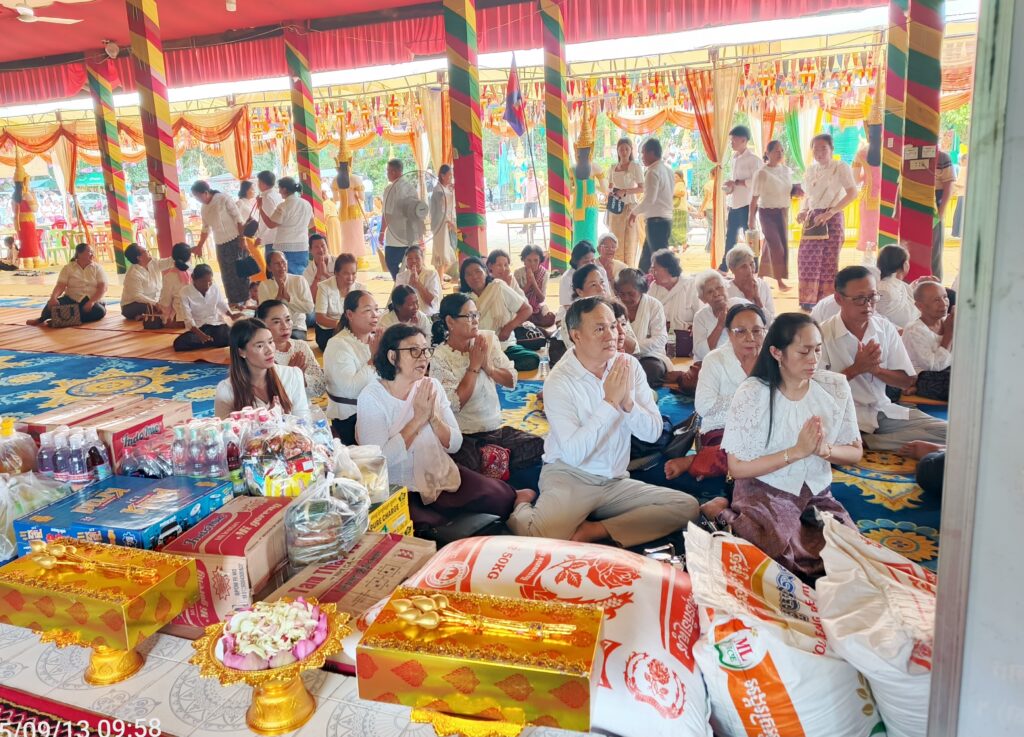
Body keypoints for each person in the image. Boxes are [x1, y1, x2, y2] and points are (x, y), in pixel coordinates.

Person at [507, 297, 700, 546]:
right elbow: (574, 454)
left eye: (612, 326)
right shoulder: (559, 381)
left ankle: (594, 530)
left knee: (686, 507)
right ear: (576, 336)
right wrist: (609, 403)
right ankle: (521, 504)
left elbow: (652, 434)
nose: (611, 335)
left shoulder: (628, 365)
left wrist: (627, 403)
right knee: (540, 539)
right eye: (599, 329)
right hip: (570, 475)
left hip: (614, 478)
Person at [708, 312, 863, 583]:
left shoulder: (834, 387)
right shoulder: (753, 393)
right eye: (804, 352)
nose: (813, 359)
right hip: (764, 487)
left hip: (816, 491)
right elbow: (737, 468)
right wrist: (796, 452)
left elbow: (855, 452)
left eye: (817, 350)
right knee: (778, 559)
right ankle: (719, 510)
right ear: (776, 353)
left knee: (847, 556)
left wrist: (824, 450)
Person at [357, 324, 525, 532]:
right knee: (431, 530)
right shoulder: (372, 398)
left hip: (440, 473)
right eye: (414, 350)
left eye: (425, 350)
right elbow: (378, 462)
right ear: (392, 357)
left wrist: (434, 418)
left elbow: (455, 444)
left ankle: (515, 496)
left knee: (501, 499)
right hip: (401, 487)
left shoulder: (431, 386)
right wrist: (417, 421)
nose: (423, 357)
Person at [819, 266, 947, 451]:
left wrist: (876, 370)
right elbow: (816, 391)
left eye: (872, 297)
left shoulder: (885, 328)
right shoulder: (822, 334)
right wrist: (856, 369)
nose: (868, 305)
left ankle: (871, 443)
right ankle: (863, 442)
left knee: (951, 432)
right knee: (821, 438)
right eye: (859, 299)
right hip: (842, 416)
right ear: (839, 299)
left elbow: (907, 381)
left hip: (882, 411)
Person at [430, 293, 545, 478]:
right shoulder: (440, 357)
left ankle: (495, 463)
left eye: (476, 314)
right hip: (466, 436)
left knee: (537, 445)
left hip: (495, 430)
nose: (476, 320)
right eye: (469, 316)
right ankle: (496, 465)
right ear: (450, 321)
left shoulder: (487, 340)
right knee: (467, 466)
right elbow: (455, 404)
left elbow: (511, 380)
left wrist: (489, 368)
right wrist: (474, 366)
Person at [663, 304, 768, 487]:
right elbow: (704, 406)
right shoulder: (715, 359)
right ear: (729, 333)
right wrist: (750, 406)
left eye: (757, 331)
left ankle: (704, 462)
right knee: (747, 450)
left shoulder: (774, 358)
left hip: (765, 426)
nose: (750, 338)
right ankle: (700, 462)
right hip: (722, 428)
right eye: (741, 331)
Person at [796, 133, 859, 309]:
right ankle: (808, 300)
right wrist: (803, 210)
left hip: (832, 218)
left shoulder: (840, 167)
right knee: (806, 259)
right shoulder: (810, 170)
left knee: (828, 263)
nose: (819, 152)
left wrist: (830, 213)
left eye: (823, 148)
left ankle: (826, 303)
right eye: (815, 149)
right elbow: (808, 196)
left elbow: (853, 193)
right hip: (813, 219)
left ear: (832, 149)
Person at [214, 318, 310, 420]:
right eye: (260, 346)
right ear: (241, 352)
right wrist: (266, 420)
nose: (269, 350)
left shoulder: (292, 375)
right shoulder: (226, 390)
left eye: (270, 342)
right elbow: (224, 429)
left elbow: (304, 421)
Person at [460, 257, 537, 372]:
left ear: (486, 272)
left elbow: (527, 309)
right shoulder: (464, 298)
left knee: (532, 359)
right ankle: (490, 367)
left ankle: (488, 367)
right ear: (464, 278)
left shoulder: (498, 287)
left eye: (478, 271)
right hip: (477, 349)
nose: (474, 277)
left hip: (504, 346)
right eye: (469, 274)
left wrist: (508, 328)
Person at [324, 289, 380, 444]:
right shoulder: (338, 344)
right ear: (349, 314)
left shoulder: (375, 340)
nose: (375, 315)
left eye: (376, 309)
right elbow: (350, 389)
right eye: (367, 310)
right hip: (351, 418)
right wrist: (374, 359)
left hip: (378, 410)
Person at [256, 299, 326, 403]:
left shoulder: (301, 346)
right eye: (276, 322)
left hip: (304, 407)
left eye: (288, 319)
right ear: (262, 324)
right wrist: (290, 374)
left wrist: (301, 377)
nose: (285, 326)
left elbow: (320, 388)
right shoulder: (260, 353)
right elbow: (264, 396)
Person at [191, 180, 247, 305]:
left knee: (239, 271)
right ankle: (233, 301)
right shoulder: (204, 209)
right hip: (220, 243)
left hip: (235, 239)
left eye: (198, 196)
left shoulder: (223, 199)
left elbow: (239, 219)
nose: (197, 199)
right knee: (226, 274)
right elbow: (205, 229)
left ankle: (245, 300)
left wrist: (242, 239)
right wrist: (199, 246)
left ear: (205, 193)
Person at [614, 268, 672, 387]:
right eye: (622, 294)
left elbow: (660, 338)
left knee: (652, 370)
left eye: (631, 294)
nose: (626, 298)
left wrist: (635, 347)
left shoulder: (654, 305)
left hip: (649, 356)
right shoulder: (614, 306)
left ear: (641, 290)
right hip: (619, 354)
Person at [748, 140, 793, 290]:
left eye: (782, 150)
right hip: (767, 213)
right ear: (768, 153)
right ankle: (779, 282)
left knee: (771, 246)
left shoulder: (786, 170)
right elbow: (754, 198)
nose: (780, 153)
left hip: (783, 212)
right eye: (776, 151)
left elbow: (787, 190)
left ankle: (760, 277)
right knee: (777, 247)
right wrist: (751, 219)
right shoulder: (762, 173)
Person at [27, 243, 108, 326]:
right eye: (89, 251)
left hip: (92, 300)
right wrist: (53, 297)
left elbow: (103, 288)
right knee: (52, 304)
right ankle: (42, 319)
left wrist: (91, 302)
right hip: (72, 299)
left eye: (92, 252)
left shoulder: (98, 268)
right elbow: (60, 285)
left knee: (99, 311)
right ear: (79, 253)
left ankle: (61, 320)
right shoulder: (68, 268)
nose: (92, 254)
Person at [902, 280, 954, 401]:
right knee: (957, 384)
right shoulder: (914, 330)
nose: (944, 303)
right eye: (936, 300)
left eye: (945, 297)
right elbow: (933, 366)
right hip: (923, 377)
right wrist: (949, 334)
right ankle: (917, 388)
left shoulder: (948, 322)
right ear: (920, 306)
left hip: (947, 371)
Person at [721, 125, 763, 272]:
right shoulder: (734, 158)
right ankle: (725, 266)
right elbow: (735, 181)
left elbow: (758, 182)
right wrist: (731, 187)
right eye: (731, 140)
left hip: (748, 203)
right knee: (730, 236)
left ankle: (754, 265)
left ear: (744, 140)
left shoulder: (754, 160)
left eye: (734, 140)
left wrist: (738, 183)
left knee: (750, 237)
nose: (731, 142)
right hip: (735, 203)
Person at [629, 138, 675, 273]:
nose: (642, 157)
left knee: (661, 261)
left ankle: (672, 281)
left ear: (652, 153)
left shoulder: (652, 172)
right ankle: (640, 281)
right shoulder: (668, 170)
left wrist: (634, 212)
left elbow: (649, 200)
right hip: (665, 219)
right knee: (646, 259)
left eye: (643, 153)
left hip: (656, 222)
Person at [173, 264, 237, 352]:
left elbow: (221, 303)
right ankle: (212, 341)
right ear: (193, 278)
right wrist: (200, 335)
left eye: (209, 282)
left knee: (232, 335)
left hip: (216, 325)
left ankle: (209, 342)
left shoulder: (215, 288)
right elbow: (188, 318)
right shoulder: (185, 292)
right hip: (198, 328)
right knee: (179, 343)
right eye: (203, 282)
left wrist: (231, 315)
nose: (207, 286)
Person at [257, 177, 314, 276]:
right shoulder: (306, 204)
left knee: (286, 278)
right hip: (303, 246)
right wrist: (300, 229)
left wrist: (260, 208)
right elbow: (312, 223)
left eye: (279, 188)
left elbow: (270, 224)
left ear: (284, 189)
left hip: (285, 247)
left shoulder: (283, 206)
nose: (279, 191)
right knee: (302, 276)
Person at [380, 159, 424, 278]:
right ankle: (407, 281)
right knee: (411, 264)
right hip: (411, 235)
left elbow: (387, 214)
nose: (387, 173)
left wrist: (382, 232)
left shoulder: (390, 189)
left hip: (396, 236)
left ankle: (402, 282)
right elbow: (418, 212)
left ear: (394, 172)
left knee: (391, 262)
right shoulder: (411, 188)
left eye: (388, 171)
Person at [692, 270, 748, 360]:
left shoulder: (742, 306)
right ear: (702, 299)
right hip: (713, 363)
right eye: (710, 292)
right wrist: (720, 325)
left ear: (726, 288)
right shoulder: (700, 317)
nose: (716, 294)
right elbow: (701, 353)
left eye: (719, 288)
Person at [257, 251, 314, 340]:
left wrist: (289, 298)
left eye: (283, 262)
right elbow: (263, 314)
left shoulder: (299, 280)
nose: (281, 266)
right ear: (269, 267)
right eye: (277, 264)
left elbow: (309, 308)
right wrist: (278, 298)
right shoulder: (264, 285)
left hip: (296, 327)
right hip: (273, 329)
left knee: (291, 340)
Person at [606, 137, 645, 266]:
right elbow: (610, 186)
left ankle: (629, 270)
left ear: (631, 150)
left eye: (626, 149)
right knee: (615, 240)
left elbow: (642, 188)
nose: (624, 152)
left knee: (630, 241)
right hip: (615, 208)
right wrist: (610, 193)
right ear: (617, 150)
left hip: (630, 207)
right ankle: (616, 269)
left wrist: (625, 191)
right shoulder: (613, 167)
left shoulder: (635, 166)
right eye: (621, 149)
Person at [313, 253, 363, 352]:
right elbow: (320, 318)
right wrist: (344, 325)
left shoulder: (360, 288)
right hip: (329, 331)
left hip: (354, 330)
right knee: (342, 348)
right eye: (346, 273)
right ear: (336, 272)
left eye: (353, 273)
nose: (350, 277)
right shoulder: (324, 287)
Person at [121, 242, 184, 320]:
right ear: (139, 257)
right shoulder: (133, 274)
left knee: (173, 302)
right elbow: (137, 296)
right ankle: (148, 315)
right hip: (132, 305)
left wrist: (186, 251)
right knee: (150, 307)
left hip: (155, 301)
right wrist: (155, 304)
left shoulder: (154, 262)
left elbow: (169, 262)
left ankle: (147, 316)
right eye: (145, 251)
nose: (148, 251)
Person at [648, 247, 698, 336]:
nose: (652, 273)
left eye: (655, 269)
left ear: (667, 269)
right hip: (659, 336)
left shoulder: (690, 285)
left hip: (686, 336)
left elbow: (701, 314)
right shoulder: (654, 287)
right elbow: (647, 314)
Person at [725, 244, 776, 324]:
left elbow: (770, 322)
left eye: (752, 264)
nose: (750, 270)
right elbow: (730, 324)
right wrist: (748, 299)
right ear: (732, 269)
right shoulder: (726, 290)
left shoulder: (763, 286)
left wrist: (757, 299)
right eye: (743, 266)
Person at [876, 244, 920, 329]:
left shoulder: (892, 285)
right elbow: (878, 318)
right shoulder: (884, 290)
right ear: (905, 265)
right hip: (898, 333)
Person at [514, 244, 557, 329]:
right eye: (529, 260)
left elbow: (541, 299)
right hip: (522, 307)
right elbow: (516, 298)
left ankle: (532, 322)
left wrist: (533, 282)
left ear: (540, 260)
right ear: (524, 260)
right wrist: (528, 284)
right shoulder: (518, 273)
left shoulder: (544, 274)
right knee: (520, 315)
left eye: (536, 260)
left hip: (537, 308)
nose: (532, 264)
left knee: (551, 318)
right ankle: (534, 322)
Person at [851, 143, 881, 262]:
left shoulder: (861, 152)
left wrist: (866, 176)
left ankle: (868, 261)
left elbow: (855, 179)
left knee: (868, 229)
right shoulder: (893, 147)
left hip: (869, 197)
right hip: (890, 196)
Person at [395, 245, 441, 315]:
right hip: (408, 317)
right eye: (410, 258)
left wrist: (418, 284)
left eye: (417, 258)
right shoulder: (400, 277)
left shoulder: (431, 274)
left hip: (428, 316)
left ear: (422, 259)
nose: (413, 261)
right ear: (406, 262)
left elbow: (433, 303)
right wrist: (409, 287)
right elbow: (399, 303)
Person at [429, 164, 457, 277]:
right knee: (441, 252)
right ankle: (439, 280)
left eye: (451, 175)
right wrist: (448, 221)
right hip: (441, 224)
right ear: (442, 175)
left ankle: (440, 278)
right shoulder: (438, 190)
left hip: (446, 223)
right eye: (449, 175)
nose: (451, 177)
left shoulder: (445, 188)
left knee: (447, 252)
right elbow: (441, 209)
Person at [158, 242, 194, 328]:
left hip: (181, 318)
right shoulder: (195, 272)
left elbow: (165, 301)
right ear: (189, 257)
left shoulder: (169, 277)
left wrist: (163, 313)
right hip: (198, 315)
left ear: (173, 257)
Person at [932, 149, 955, 281]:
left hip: (935, 207)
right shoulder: (909, 153)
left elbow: (948, 187)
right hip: (914, 209)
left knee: (934, 252)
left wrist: (940, 213)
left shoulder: (942, 157)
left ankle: (935, 284)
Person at [254, 170, 282, 266]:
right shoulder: (276, 195)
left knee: (272, 268)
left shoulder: (267, 198)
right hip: (276, 237)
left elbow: (269, 221)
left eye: (259, 182)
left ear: (263, 183)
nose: (258, 184)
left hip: (271, 238)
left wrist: (260, 237)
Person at [951, 152, 968, 239]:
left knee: (959, 214)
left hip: (961, 194)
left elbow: (959, 183)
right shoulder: (966, 169)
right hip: (964, 194)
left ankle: (957, 232)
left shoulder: (963, 169)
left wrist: (952, 185)